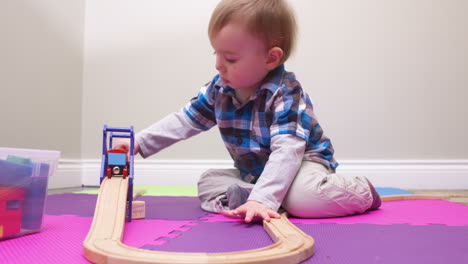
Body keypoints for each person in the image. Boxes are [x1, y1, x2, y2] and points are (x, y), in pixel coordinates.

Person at [115, 0, 381, 223]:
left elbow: (288, 151)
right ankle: (265, 198)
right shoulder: (220, 89)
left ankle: (362, 192)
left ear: (271, 58)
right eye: (216, 54)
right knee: (208, 182)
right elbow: (185, 120)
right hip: (256, 173)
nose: (219, 65)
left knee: (301, 199)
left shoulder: (285, 93)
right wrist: (140, 141)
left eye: (230, 59)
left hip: (303, 165)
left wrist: (261, 198)